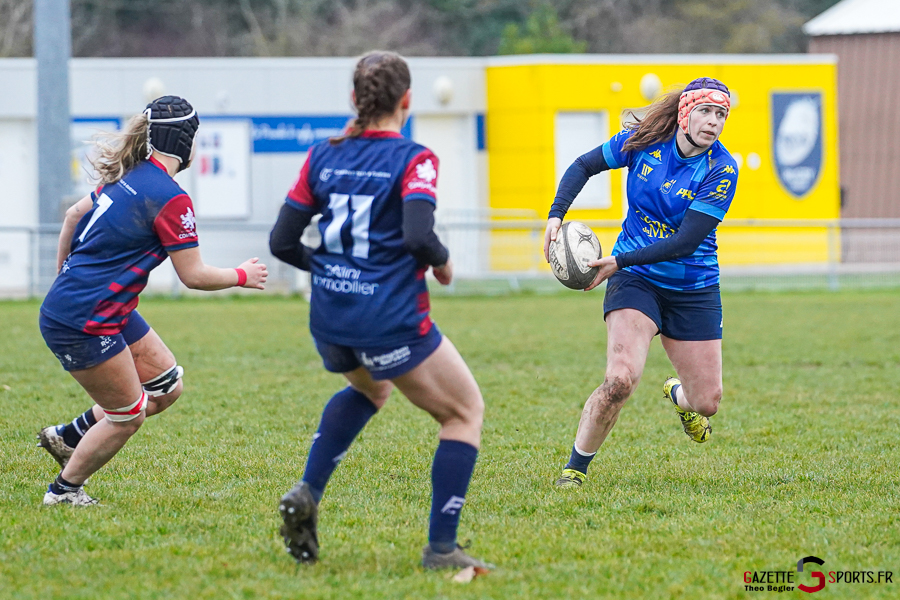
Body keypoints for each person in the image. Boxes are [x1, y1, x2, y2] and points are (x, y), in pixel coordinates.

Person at [269, 51, 491, 570]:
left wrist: (324, 268)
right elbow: (418, 235)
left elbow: (282, 241)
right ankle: (441, 549)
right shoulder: (415, 158)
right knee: (464, 413)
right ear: (407, 101)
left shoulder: (321, 155)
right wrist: (442, 261)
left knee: (370, 388)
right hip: (388, 317)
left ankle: (308, 491)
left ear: (354, 100)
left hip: (329, 317)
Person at [37, 96, 268, 505]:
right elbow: (193, 275)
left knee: (167, 385)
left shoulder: (128, 174)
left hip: (98, 308)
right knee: (129, 415)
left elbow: (74, 216)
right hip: (85, 319)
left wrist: (62, 279)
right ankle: (64, 491)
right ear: (185, 141)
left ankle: (69, 436)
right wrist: (242, 276)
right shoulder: (170, 197)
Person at [545, 78, 738, 488]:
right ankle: (574, 471)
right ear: (685, 112)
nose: (713, 121)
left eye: (721, 114)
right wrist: (556, 215)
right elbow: (583, 165)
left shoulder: (721, 169)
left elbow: (685, 242)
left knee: (707, 402)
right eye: (706, 111)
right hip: (636, 280)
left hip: (693, 287)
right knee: (620, 379)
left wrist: (618, 259)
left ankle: (677, 396)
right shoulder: (643, 140)